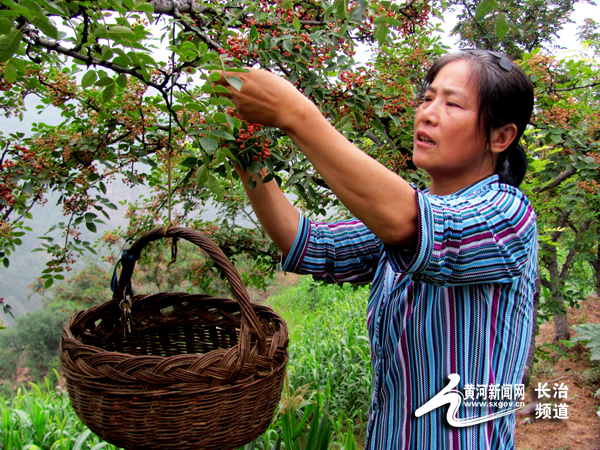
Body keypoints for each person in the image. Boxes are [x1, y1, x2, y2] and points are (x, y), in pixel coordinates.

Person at [214, 49, 537, 450]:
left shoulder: (508, 216)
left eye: (452, 103)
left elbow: (410, 223)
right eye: (427, 97)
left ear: (501, 136)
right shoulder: (399, 221)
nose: (428, 114)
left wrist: (295, 114)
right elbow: (309, 243)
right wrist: (247, 152)